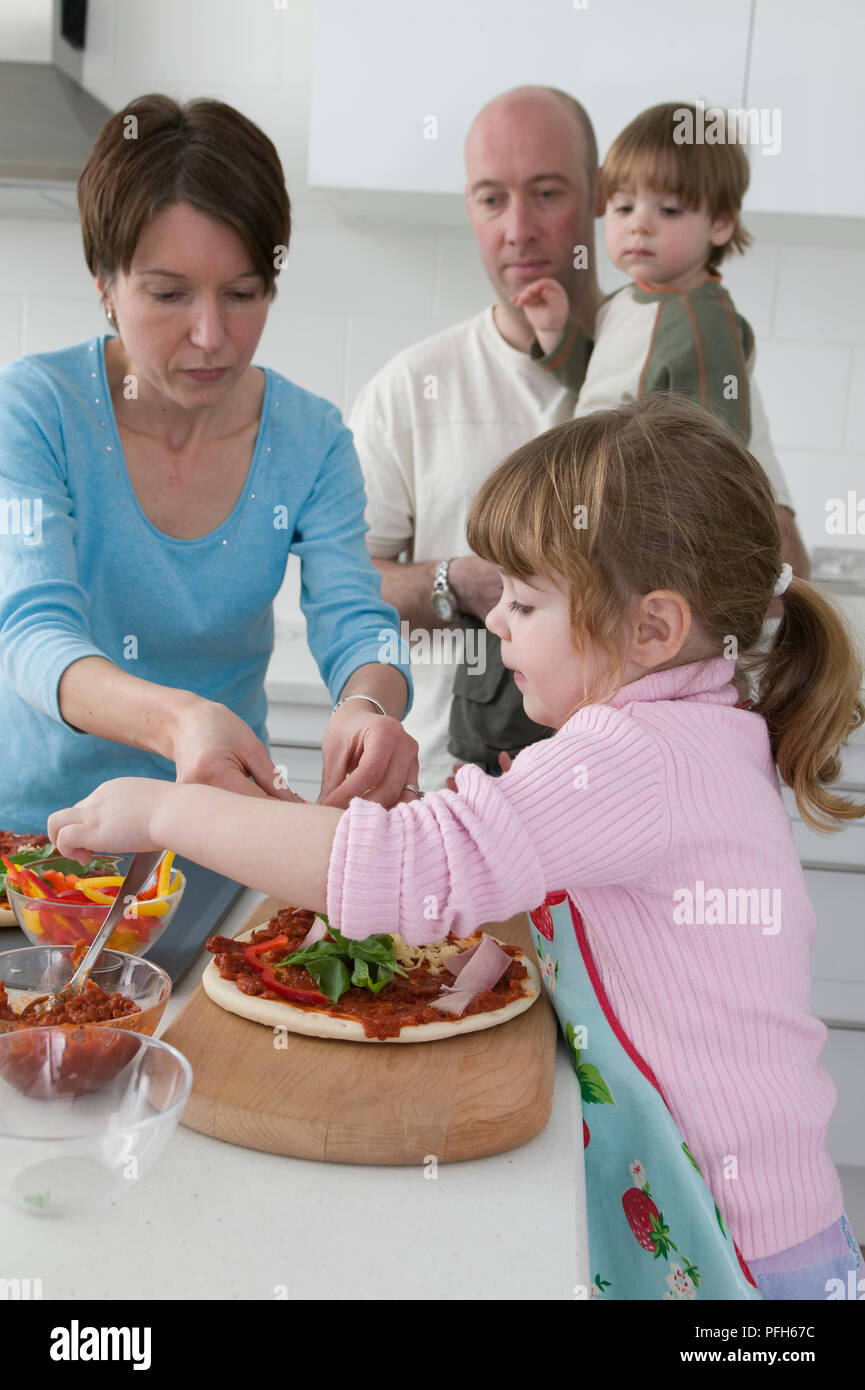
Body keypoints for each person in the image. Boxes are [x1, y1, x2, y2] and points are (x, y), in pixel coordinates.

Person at [51, 395, 864, 1300]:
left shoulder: (634, 753)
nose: (496, 623)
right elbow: (599, 915)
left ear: (653, 629)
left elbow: (408, 875)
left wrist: (167, 813)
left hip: (737, 1251)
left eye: (524, 600)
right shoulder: (697, 724)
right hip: (760, 1222)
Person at [348, 86, 809, 793]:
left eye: (546, 192)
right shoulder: (407, 388)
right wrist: (460, 584)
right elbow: (344, 584)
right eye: (490, 198)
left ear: (593, 197)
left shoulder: (682, 348)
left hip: (636, 780)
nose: (518, 228)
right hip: (465, 773)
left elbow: (780, 580)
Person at [0, 94, 417, 835]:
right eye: (168, 293)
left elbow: (359, 621)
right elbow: (32, 633)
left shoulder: (312, 438)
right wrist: (181, 722)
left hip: (220, 838)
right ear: (104, 280)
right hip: (35, 841)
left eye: (243, 294)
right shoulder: (37, 409)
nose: (210, 336)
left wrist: (370, 705)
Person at [515, 102, 773, 449]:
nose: (639, 225)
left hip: (638, 498)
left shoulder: (704, 325)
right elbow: (598, 386)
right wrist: (554, 332)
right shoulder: (628, 301)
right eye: (623, 207)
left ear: (721, 223)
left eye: (668, 210)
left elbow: (719, 452)